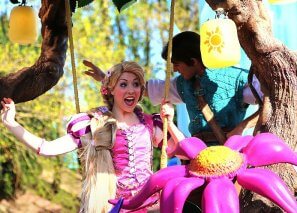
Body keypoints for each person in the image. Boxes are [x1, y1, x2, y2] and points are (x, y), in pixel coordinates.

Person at [1, 61, 184, 213]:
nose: (131, 90)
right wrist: (11, 123)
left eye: (136, 84)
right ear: (110, 90)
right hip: (115, 207)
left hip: (151, 207)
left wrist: (171, 122)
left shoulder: (151, 124)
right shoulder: (93, 125)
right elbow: (46, 148)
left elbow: (184, 152)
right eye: (123, 84)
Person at [84, 31, 263, 146]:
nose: (175, 69)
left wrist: (241, 127)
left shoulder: (238, 79)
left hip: (231, 154)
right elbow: (141, 89)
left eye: (176, 64)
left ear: (193, 61)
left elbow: (271, 101)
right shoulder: (182, 84)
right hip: (197, 155)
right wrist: (107, 79)